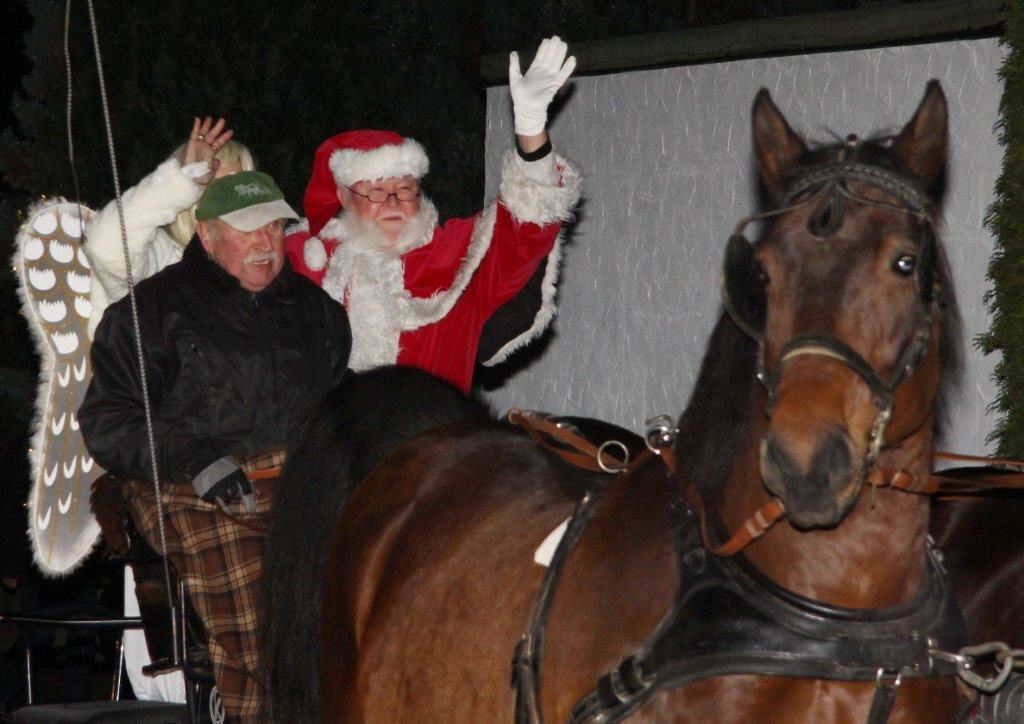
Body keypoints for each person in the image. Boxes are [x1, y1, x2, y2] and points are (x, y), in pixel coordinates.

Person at [78, 170, 351, 722]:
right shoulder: (150, 312)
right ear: (206, 235)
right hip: (188, 483)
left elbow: (338, 403)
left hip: (299, 484)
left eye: (274, 228)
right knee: (265, 619)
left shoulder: (318, 311)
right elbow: (109, 420)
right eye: (248, 229)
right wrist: (194, 457)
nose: (265, 243)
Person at [285, 35, 580, 392]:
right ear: (343, 196)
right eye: (375, 191)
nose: (393, 202)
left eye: (404, 189)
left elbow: (524, 229)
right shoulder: (305, 259)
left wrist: (531, 131)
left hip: (436, 426)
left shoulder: (457, 256)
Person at [81, 117, 253, 705]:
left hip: (255, 481)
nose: (228, 195)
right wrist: (181, 177)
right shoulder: (156, 261)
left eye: (240, 181)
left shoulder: (266, 267)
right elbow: (105, 244)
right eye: (214, 181)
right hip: (172, 481)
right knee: (184, 674)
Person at [85, 117, 254, 339]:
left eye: (243, 192)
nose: (234, 205)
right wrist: (183, 180)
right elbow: (106, 246)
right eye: (219, 191)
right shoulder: (165, 259)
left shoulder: (261, 266)